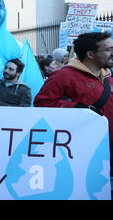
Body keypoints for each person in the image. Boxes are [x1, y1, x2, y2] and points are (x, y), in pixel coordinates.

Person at [34, 32, 113, 181]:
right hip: (87, 150)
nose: (112, 53)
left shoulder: (108, 76)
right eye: (108, 49)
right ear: (90, 54)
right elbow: (42, 103)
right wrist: (78, 108)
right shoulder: (63, 76)